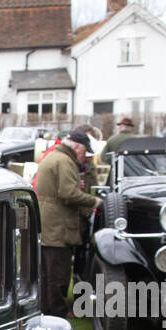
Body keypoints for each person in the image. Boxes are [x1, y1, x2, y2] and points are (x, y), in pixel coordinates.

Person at [35, 130, 102, 318]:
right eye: (84, 152)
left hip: (49, 222)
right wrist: (94, 201)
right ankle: (57, 312)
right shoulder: (64, 161)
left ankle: (47, 308)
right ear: (77, 147)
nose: (84, 157)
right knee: (59, 272)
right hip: (58, 224)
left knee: (48, 270)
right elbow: (68, 193)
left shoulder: (54, 156)